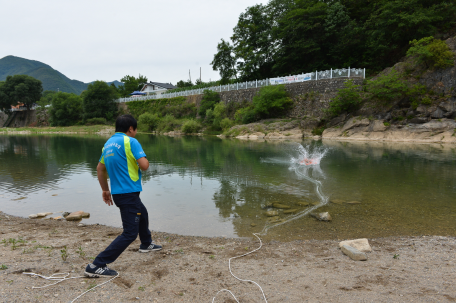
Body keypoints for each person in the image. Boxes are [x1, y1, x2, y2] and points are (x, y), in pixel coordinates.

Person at [85, 114, 162, 277]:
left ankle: (146, 244)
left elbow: (100, 169)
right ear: (130, 129)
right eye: (135, 130)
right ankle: (97, 264)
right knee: (129, 233)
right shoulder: (130, 141)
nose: (135, 133)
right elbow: (145, 166)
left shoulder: (108, 144)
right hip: (128, 194)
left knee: (142, 213)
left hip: (119, 193)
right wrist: (143, 157)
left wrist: (105, 190)